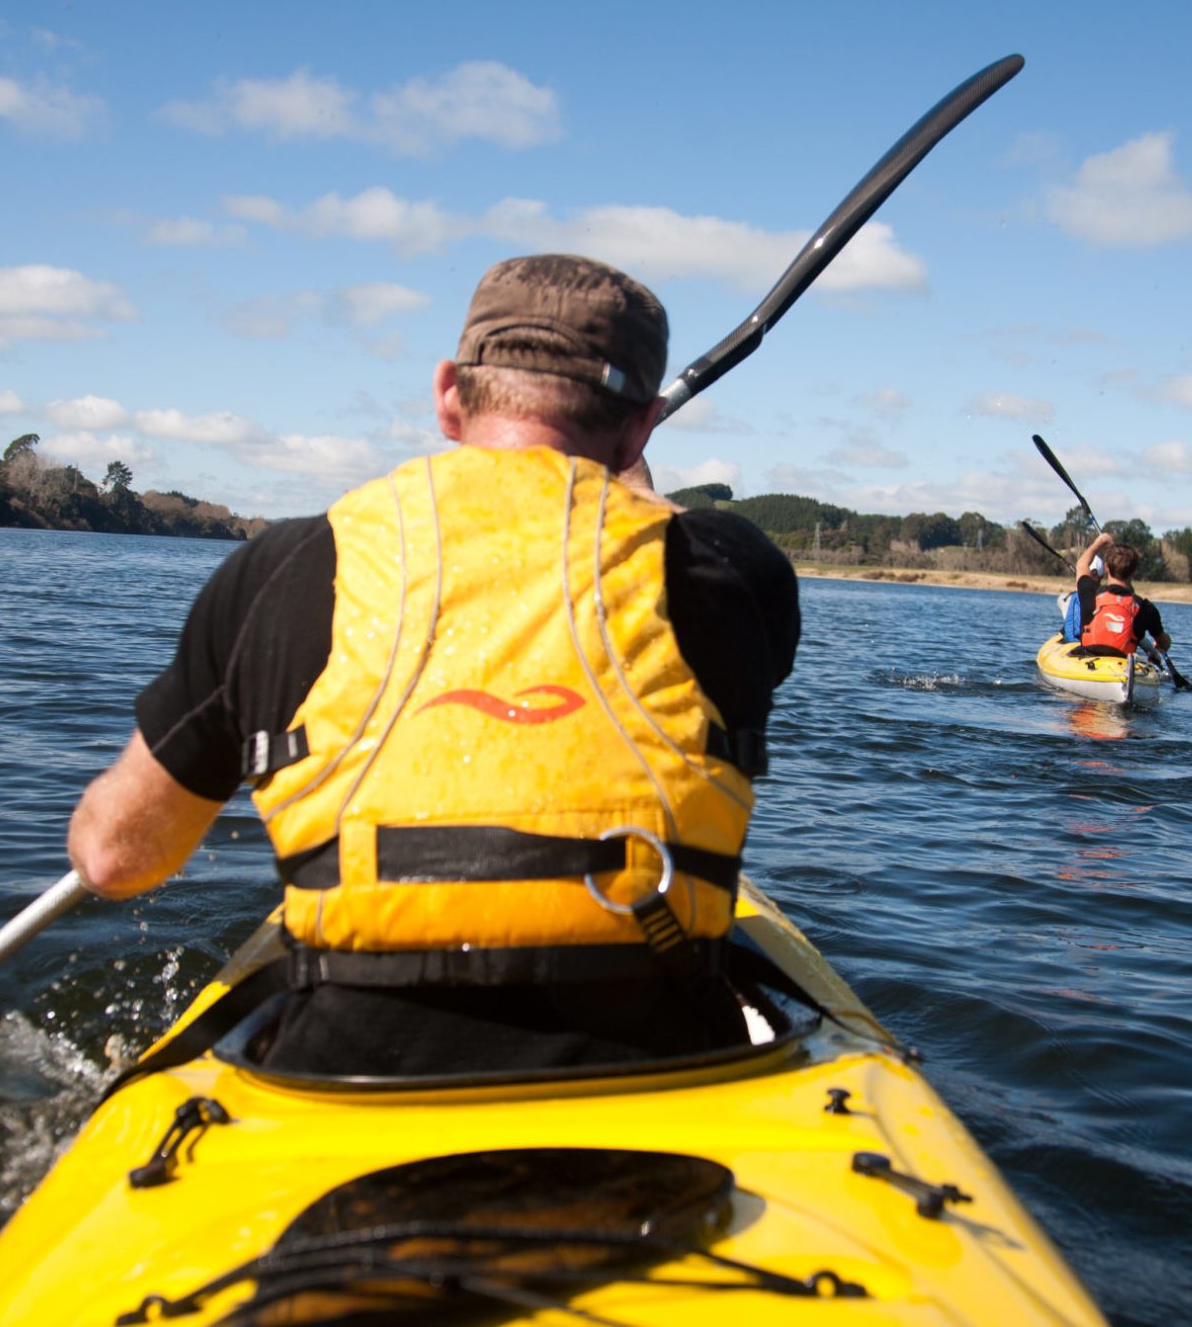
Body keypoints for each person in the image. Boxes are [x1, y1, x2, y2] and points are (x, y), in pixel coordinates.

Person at [67, 254, 800, 1076]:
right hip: (672, 1074)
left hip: (341, 1082)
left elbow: (115, 861)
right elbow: (665, 558)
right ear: (641, 429)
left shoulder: (287, 566)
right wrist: (625, 481)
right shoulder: (736, 571)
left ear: (449, 394)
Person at [1069, 531, 1171, 657]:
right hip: (1122, 663)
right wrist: (1161, 643)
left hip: (1088, 657)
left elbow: (1081, 565)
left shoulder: (1090, 591)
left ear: (1106, 568)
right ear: (1134, 572)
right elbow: (1163, 643)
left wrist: (1100, 542)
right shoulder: (1145, 608)